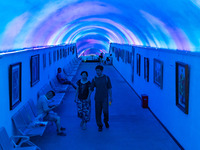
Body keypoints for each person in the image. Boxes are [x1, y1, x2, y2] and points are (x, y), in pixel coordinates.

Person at [89, 65, 112, 132]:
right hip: (97, 98)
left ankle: (106, 121)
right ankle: (99, 125)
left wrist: (111, 97)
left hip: (105, 98)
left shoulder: (106, 78)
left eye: (98, 70)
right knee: (98, 112)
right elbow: (91, 89)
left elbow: (109, 88)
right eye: (96, 71)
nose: (97, 72)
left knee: (105, 111)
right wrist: (88, 97)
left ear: (102, 71)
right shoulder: (94, 79)